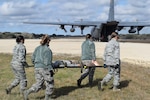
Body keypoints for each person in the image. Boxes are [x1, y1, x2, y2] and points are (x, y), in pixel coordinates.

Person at [23, 35, 54, 100]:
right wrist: (51, 70)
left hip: (37, 68)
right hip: (44, 68)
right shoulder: (47, 50)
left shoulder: (37, 48)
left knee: (39, 83)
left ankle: (27, 92)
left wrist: (36, 65)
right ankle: (47, 98)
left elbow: (33, 58)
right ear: (48, 41)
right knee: (50, 83)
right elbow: (47, 62)